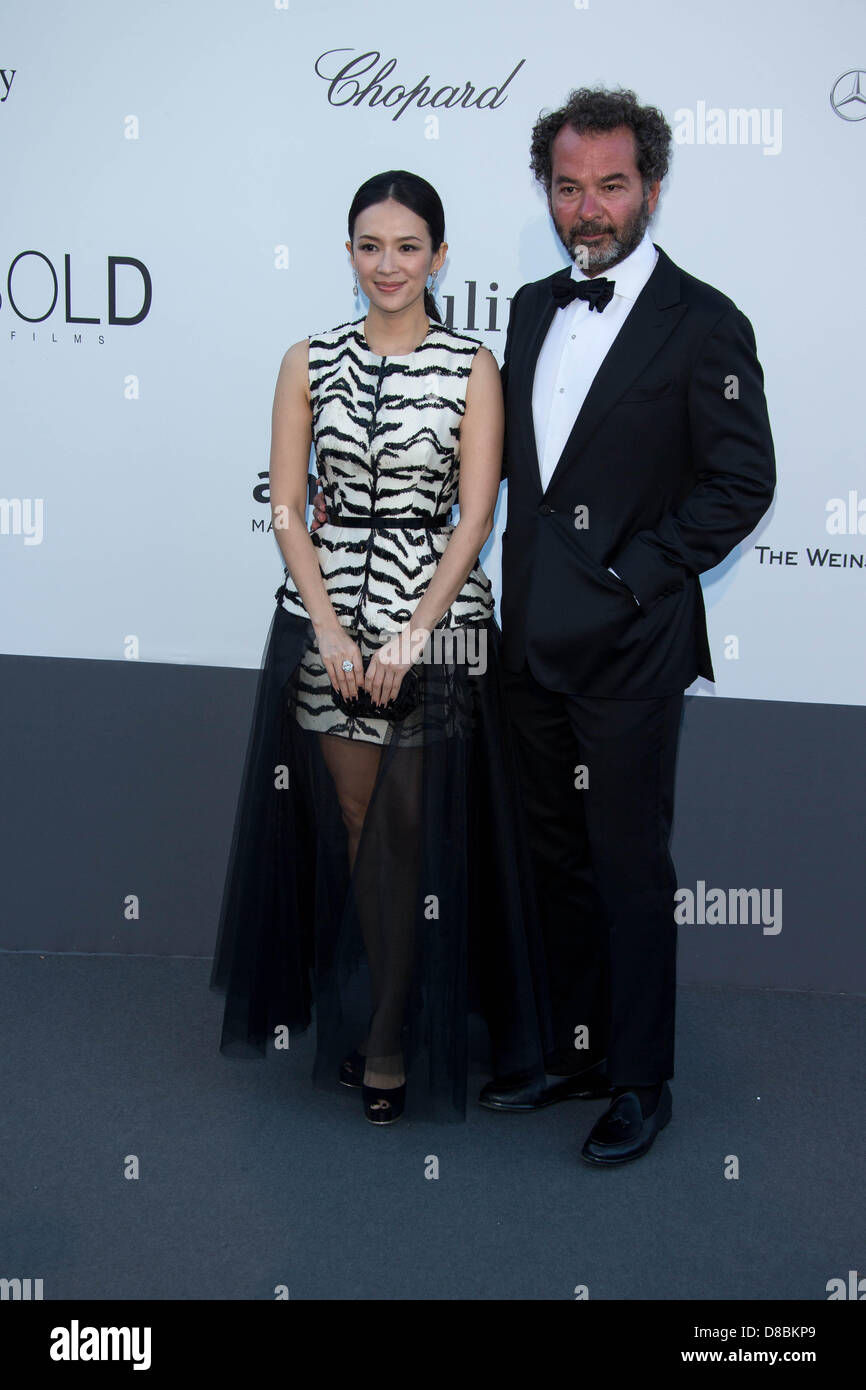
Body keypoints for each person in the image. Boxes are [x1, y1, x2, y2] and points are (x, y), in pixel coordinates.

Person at [210, 170, 552, 1125]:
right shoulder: (306, 360)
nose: (388, 264)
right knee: (359, 836)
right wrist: (325, 625)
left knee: (413, 836)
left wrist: (413, 632)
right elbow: (287, 507)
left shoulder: (472, 364)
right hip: (322, 627)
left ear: (440, 256)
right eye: (370, 245)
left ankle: (394, 1031)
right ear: (349, 253)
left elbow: (475, 518)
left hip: (440, 630)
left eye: (408, 246)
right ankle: (378, 1009)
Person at [477, 87, 777, 1163]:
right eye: (567, 186)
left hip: (629, 646)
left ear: (650, 187)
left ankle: (640, 1080)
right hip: (527, 649)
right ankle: (574, 1049)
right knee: (549, 857)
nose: (587, 208)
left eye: (609, 185)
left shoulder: (704, 322)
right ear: (547, 192)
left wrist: (630, 572)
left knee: (625, 864)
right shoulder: (524, 307)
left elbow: (742, 481)